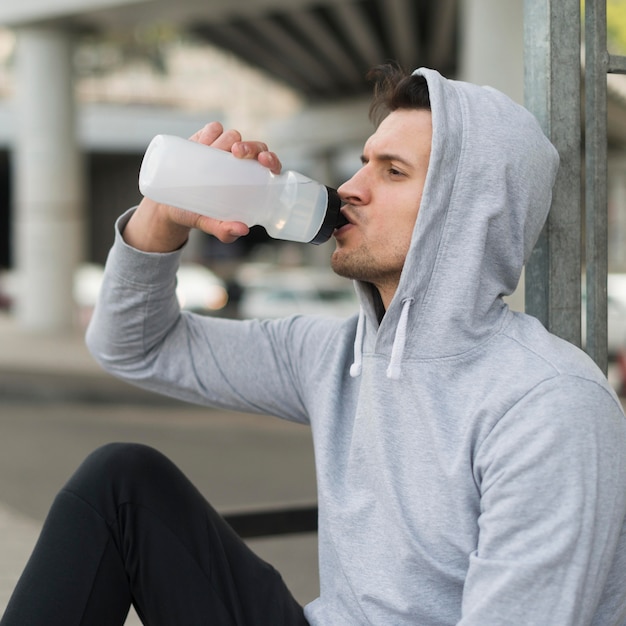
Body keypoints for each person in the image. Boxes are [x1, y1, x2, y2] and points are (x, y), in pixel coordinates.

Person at [2, 63, 626, 626]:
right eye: (363, 161)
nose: (350, 187)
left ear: (467, 212)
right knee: (122, 481)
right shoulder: (335, 354)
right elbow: (134, 347)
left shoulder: (549, 405)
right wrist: (162, 217)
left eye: (393, 171)